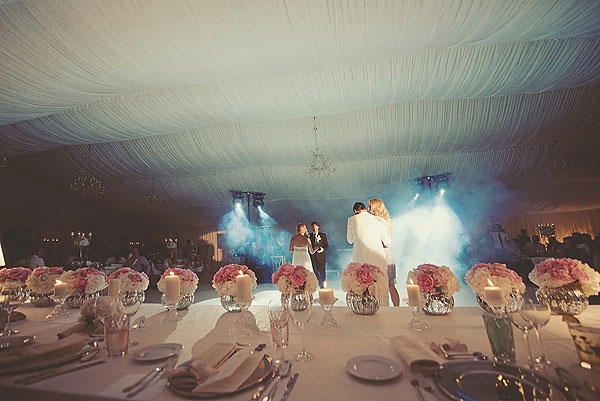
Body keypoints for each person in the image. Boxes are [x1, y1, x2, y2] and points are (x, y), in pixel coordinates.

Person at [346, 202, 390, 305]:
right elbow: (387, 242)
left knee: (363, 290)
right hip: (378, 258)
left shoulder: (351, 220)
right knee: (382, 289)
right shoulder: (378, 220)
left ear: (355, 211)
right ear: (365, 209)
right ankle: (385, 310)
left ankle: (365, 311)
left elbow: (350, 240)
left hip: (361, 260)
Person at [368, 199, 400, 307]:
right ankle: (397, 308)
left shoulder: (376, 221)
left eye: (370, 207)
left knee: (381, 284)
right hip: (387, 253)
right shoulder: (387, 220)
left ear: (375, 207)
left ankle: (382, 307)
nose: (369, 209)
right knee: (391, 285)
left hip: (382, 253)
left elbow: (386, 241)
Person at [309, 221, 329, 288]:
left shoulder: (323, 235)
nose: (314, 228)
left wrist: (322, 249)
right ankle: (319, 284)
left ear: (318, 227)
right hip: (313, 257)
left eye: (315, 226)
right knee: (315, 272)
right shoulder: (310, 236)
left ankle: (323, 286)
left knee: (322, 273)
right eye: (312, 227)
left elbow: (326, 246)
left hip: (321, 257)